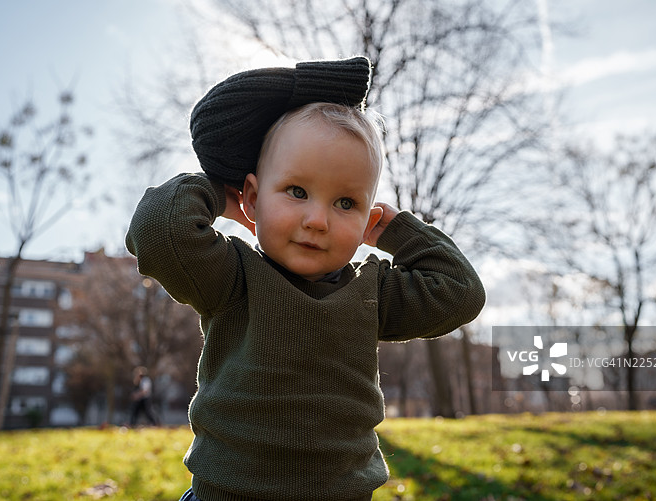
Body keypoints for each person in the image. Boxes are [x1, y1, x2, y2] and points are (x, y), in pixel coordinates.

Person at [125, 57, 485, 501]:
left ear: (369, 218)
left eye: (346, 203)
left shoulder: (372, 291)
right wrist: (221, 192)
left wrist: (395, 229)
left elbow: (461, 292)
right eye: (297, 192)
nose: (317, 220)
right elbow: (158, 228)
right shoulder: (232, 278)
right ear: (253, 199)